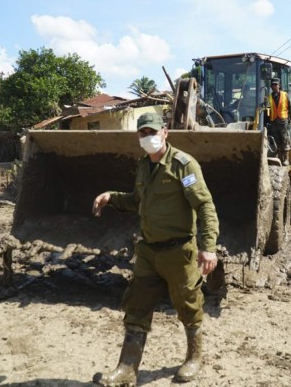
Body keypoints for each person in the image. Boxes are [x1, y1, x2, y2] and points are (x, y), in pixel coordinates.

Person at [91, 112, 220, 386]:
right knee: (136, 305)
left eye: (152, 131)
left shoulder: (183, 165)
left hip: (178, 252)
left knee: (188, 305)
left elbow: (204, 206)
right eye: (142, 133)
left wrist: (208, 247)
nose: (147, 137)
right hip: (148, 252)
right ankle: (127, 368)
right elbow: (138, 200)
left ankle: (194, 358)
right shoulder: (142, 166)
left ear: (165, 132)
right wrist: (111, 197)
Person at [267, 77, 291, 165]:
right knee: (277, 141)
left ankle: (286, 159)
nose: (274, 86)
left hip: (283, 120)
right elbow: (268, 108)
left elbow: (290, 107)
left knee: (285, 140)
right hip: (274, 121)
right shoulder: (269, 97)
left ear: (279, 86)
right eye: (272, 85)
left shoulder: (285, 95)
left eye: (275, 85)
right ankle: (280, 158)